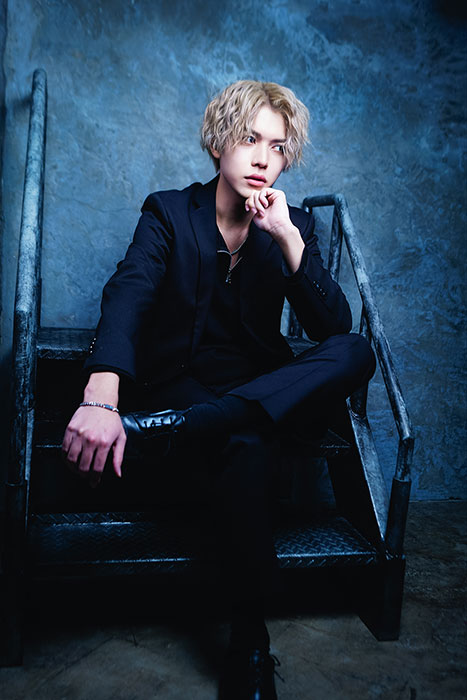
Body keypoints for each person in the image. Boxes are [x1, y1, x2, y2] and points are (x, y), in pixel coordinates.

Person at [62, 80, 376, 699]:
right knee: (248, 441)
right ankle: (251, 642)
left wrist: (287, 238)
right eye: (249, 139)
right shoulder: (168, 212)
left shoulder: (292, 223)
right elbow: (129, 291)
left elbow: (332, 328)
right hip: (181, 386)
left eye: (277, 147)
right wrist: (101, 394)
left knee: (356, 349)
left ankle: (199, 425)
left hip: (261, 384)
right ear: (217, 143)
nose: (263, 158)